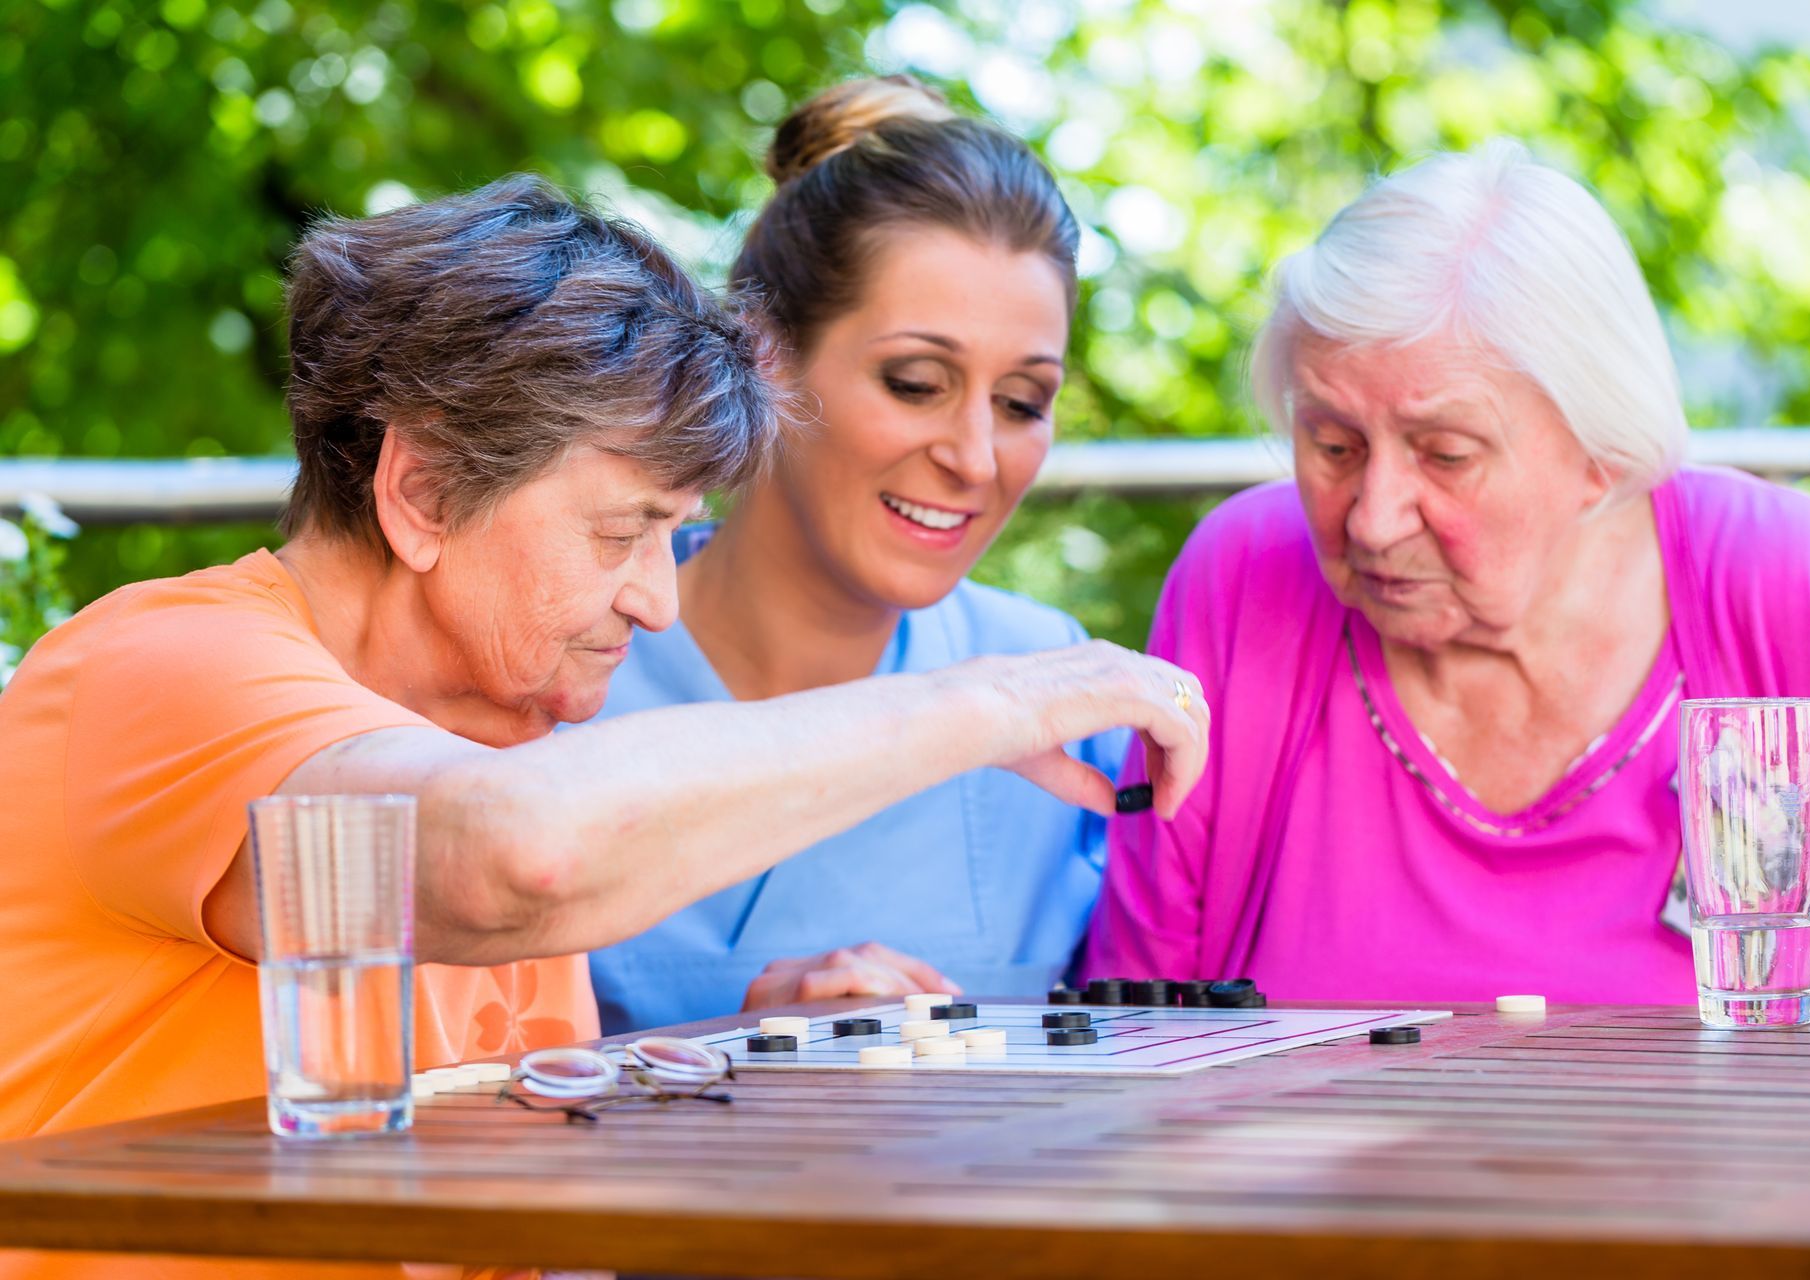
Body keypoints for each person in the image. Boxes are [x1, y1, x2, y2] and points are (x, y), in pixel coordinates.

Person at [0, 174, 1208, 1280]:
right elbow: (513, 857)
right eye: (620, 530)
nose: (657, 595)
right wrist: (992, 703)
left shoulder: (507, 743)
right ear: (421, 491)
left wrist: (746, 1055)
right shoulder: (162, 669)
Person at [1087, 139, 1810, 1007]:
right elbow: (1136, 1029)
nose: (1371, 518)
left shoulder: (1788, 589)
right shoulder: (1245, 580)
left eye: (1445, 455)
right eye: (1332, 445)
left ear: (1604, 452)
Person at [586, 76, 1124, 1034]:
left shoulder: (1063, 697)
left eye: (1021, 403)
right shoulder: (559, 673)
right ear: (764, 353)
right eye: (916, 383)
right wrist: (724, 1046)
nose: (973, 457)